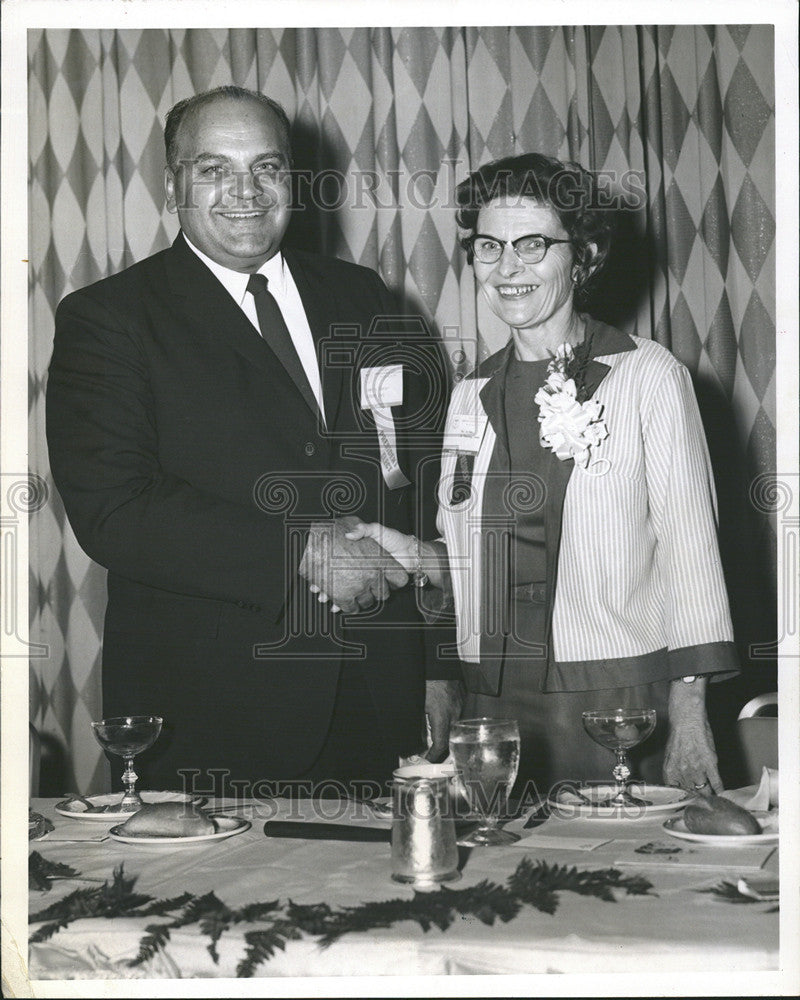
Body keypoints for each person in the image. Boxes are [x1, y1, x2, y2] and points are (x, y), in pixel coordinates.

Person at [46, 85, 462, 796]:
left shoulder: (361, 295)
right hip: (211, 716)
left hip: (379, 704)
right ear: (172, 182)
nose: (245, 191)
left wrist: (437, 667)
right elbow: (116, 510)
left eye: (266, 167)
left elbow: (422, 490)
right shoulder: (109, 319)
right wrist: (304, 548)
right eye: (214, 169)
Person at [340, 152, 739, 796]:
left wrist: (690, 720)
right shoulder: (468, 395)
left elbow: (690, 554)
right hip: (492, 708)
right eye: (489, 246)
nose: (507, 267)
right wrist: (412, 555)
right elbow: (473, 562)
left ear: (581, 255)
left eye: (532, 244)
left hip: (618, 704)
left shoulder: (650, 377)